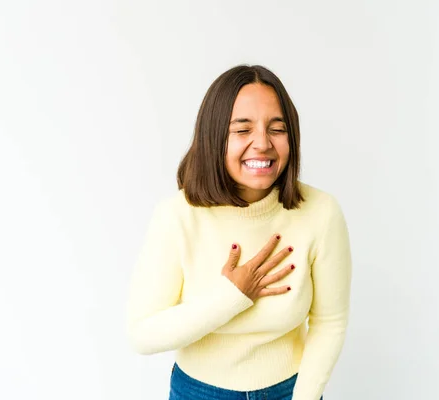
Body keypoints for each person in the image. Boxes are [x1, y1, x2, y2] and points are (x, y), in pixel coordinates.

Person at [125, 64, 352, 400]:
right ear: (214, 136)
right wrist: (232, 296)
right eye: (242, 130)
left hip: (290, 390)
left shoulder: (321, 212)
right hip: (197, 392)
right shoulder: (177, 216)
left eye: (277, 129)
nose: (262, 143)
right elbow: (142, 334)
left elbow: (330, 323)